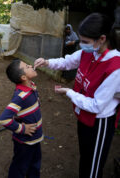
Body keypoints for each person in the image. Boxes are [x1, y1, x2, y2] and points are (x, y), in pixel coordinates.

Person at [34, 13, 120, 178]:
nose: (81, 45)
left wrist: (69, 92)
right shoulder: (90, 52)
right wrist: (47, 62)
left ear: (102, 39)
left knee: (93, 168)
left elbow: (97, 105)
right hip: (83, 116)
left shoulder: (115, 67)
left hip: (99, 121)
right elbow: (67, 62)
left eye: (85, 42)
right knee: (85, 158)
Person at [0, 59, 43, 178]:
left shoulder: (32, 86)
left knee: (34, 165)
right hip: (24, 142)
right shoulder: (21, 96)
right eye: (27, 66)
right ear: (24, 77)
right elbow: (4, 119)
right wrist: (22, 129)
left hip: (35, 138)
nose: (30, 65)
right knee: (19, 167)